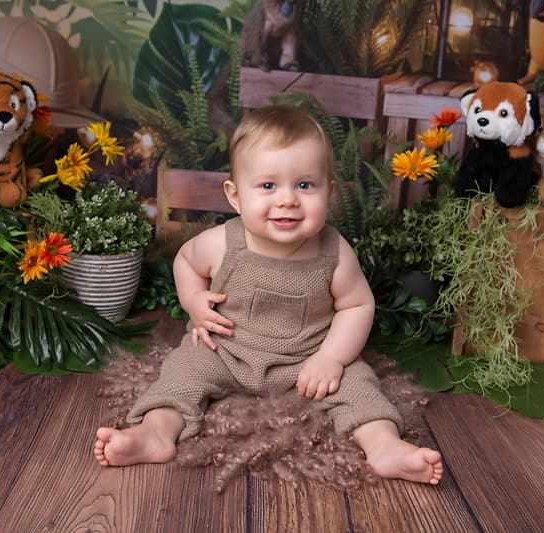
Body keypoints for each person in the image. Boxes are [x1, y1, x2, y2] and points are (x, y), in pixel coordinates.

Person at [94, 105, 443, 484]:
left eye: (304, 185)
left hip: (305, 362)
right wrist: (194, 302)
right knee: (182, 372)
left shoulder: (335, 252)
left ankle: (383, 445)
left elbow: (357, 304)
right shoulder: (221, 243)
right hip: (225, 352)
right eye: (267, 186)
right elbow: (185, 262)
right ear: (235, 196)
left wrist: (330, 358)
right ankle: (155, 433)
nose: (287, 199)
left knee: (358, 384)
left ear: (329, 192)